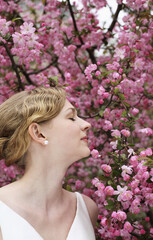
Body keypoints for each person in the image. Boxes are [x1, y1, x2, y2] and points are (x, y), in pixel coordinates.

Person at [0, 86, 98, 240]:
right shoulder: (2, 210)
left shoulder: (86, 209)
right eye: (71, 117)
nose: (86, 124)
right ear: (38, 133)